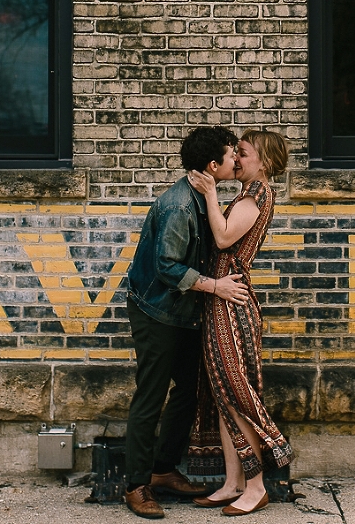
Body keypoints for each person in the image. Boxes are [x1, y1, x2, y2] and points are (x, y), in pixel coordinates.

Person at [123, 126, 253, 519]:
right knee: (151, 393)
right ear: (213, 166)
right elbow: (166, 267)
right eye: (232, 154)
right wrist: (216, 287)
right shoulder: (179, 205)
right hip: (157, 310)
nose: (237, 159)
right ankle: (136, 485)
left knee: (190, 390)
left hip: (183, 312)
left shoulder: (204, 196)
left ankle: (163, 469)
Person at [185, 130, 294, 517]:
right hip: (221, 299)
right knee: (223, 395)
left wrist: (211, 193)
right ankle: (233, 482)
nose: (237, 159)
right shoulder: (248, 194)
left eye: (243, 154)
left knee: (235, 392)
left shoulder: (257, 194)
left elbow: (224, 236)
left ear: (262, 163)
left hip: (231, 303)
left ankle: (256, 485)